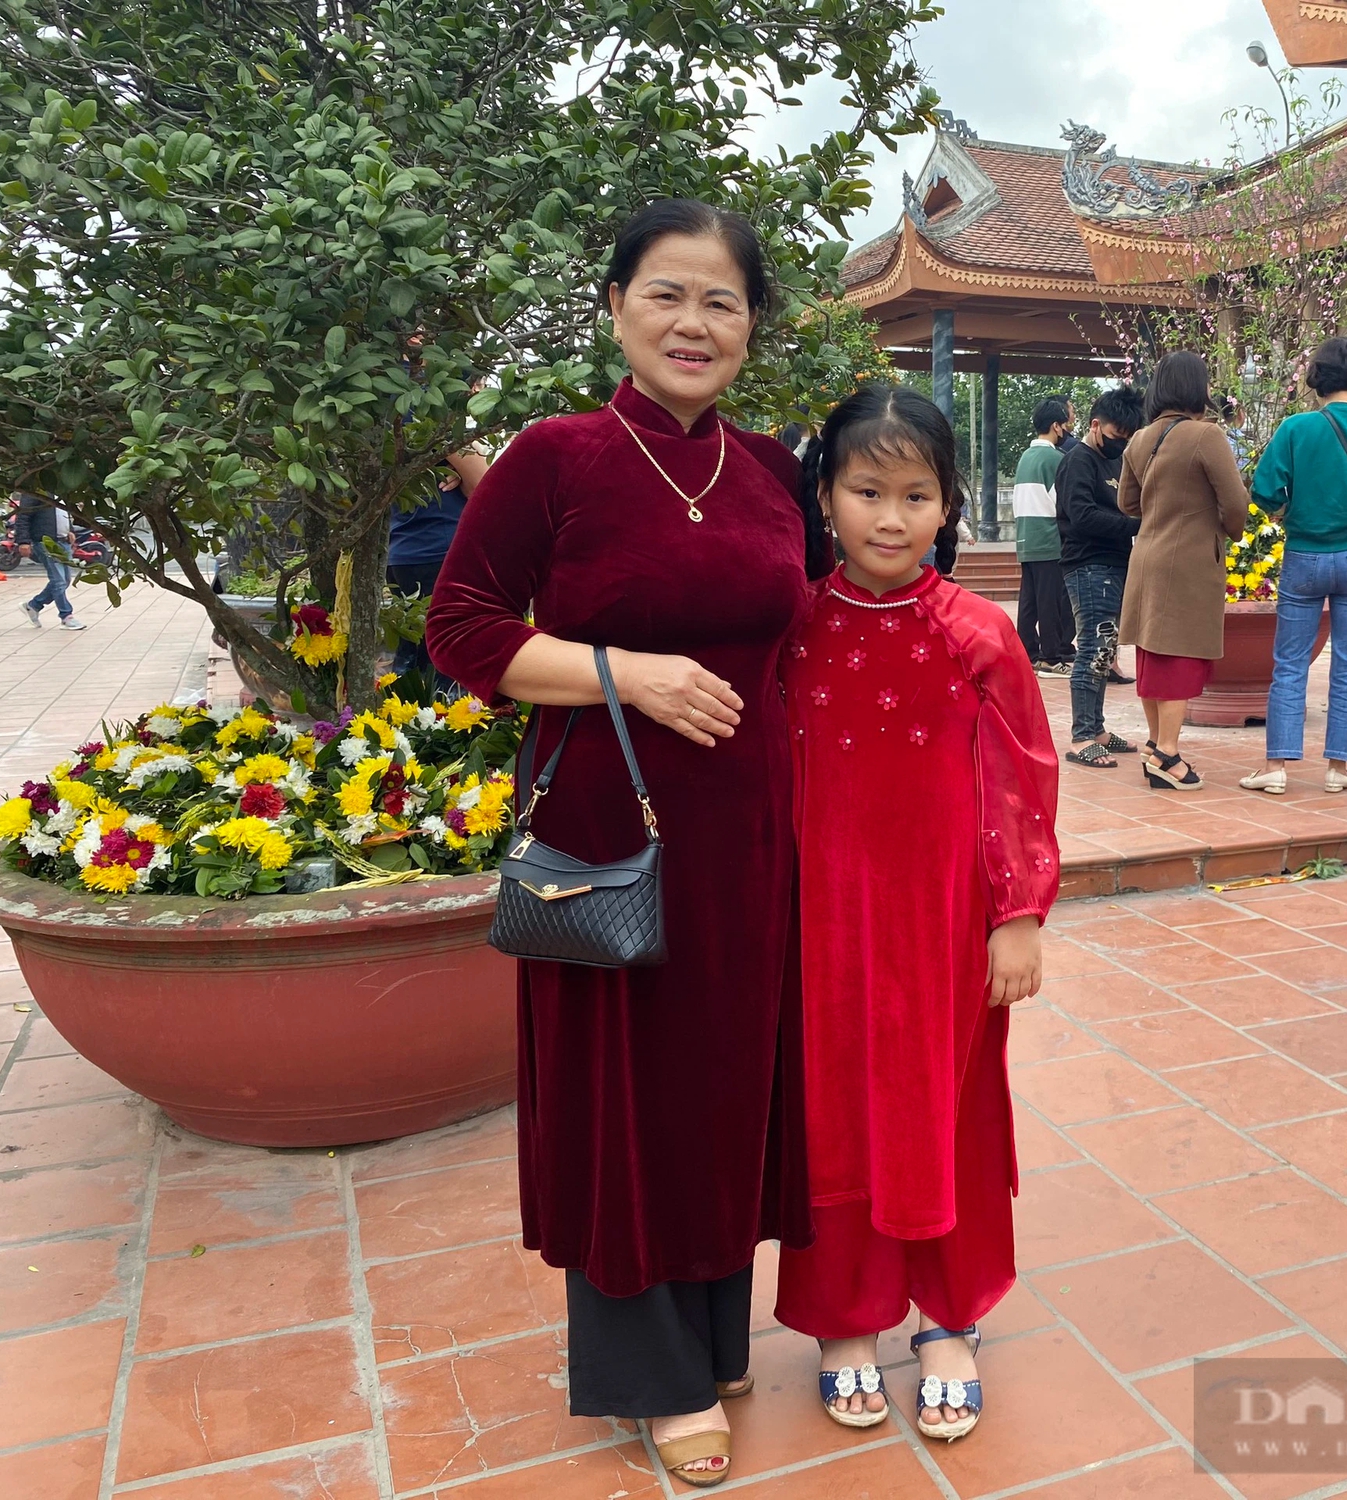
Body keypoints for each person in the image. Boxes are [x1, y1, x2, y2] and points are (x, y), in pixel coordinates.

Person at [425, 199, 826, 1489]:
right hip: (610, 832)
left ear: (752, 324)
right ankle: (645, 1373)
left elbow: (805, 631)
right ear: (615, 306)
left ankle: (713, 1332)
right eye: (665, 294)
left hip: (751, 831)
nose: (692, 323)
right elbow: (463, 630)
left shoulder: (770, 470)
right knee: (627, 1100)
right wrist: (625, 674)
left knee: (721, 1088)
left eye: (720, 300)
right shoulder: (557, 457)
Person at [778, 383, 1059, 1443]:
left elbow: (1021, 777)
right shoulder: (793, 629)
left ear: (950, 506)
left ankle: (950, 1317)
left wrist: (1016, 912)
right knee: (831, 1110)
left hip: (943, 923)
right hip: (821, 921)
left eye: (914, 495)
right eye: (864, 491)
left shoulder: (978, 634)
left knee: (948, 1106)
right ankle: (841, 1318)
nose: (887, 519)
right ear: (825, 495)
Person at [1238, 336, 1347, 796]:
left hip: (1305, 556)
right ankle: (1338, 767)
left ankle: (1276, 765)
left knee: (1290, 663)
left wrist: (1292, 508)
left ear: (1317, 379)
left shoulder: (1297, 428)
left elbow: (1264, 492)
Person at [1116, 351, 1250, 791]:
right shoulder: (1204, 435)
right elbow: (1235, 503)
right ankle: (1168, 754)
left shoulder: (1140, 439)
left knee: (1152, 655)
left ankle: (1157, 746)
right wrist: (1225, 528)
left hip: (1147, 557)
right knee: (1176, 658)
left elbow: (1127, 504)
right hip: (1188, 560)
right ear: (1197, 388)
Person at [1055, 385, 1145, 768]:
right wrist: (1134, 525)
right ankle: (1080, 737)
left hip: (1114, 564)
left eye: (1126, 440)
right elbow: (1082, 516)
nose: (1119, 446)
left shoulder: (1114, 463)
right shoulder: (1079, 461)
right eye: (1114, 437)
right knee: (1093, 649)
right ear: (1095, 425)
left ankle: (1098, 729)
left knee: (1106, 651)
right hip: (1089, 565)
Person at [387, 448, 489, 684]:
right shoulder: (432, 412)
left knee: (414, 660)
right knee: (448, 664)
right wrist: (464, 473)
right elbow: (484, 482)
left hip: (402, 550)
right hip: (440, 547)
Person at [1011, 396, 1075, 675]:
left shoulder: (1025, 457)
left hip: (1026, 537)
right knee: (1050, 602)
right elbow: (1063, 503)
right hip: (1049, 539)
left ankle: (1028, 653)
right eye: (1064, 425)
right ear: (1056, 426)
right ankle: (1051, 657)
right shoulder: (1056, 458)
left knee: (1029, 601)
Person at [15, 491, 86, 631]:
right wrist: (23, 541)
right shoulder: (36, 490)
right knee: (58, 581)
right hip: (45, 541)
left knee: (64, 581)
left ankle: (33, 606)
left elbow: (63, 513)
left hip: (63, 541)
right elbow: (23, 516)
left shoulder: (60, 489)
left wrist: (70, 530)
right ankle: (66, 616)